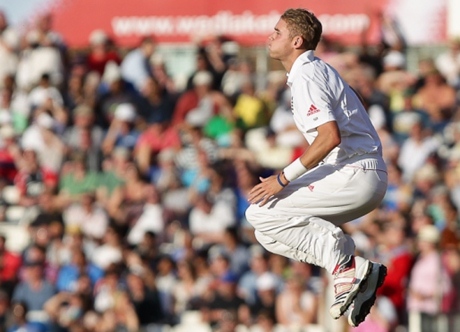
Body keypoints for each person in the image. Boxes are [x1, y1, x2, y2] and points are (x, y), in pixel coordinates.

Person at [245, 8, 388, 327]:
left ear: (297, 41)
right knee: (266, 233)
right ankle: (354, 271)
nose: (271, 36)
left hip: (355, 173)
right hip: (356, 173)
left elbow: (329, 137)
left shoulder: (307, 73)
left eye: (278, 32)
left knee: (259, 213)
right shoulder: (310, 71)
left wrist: (281, 178)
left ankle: (346, 265)